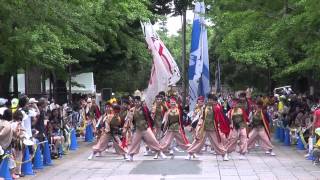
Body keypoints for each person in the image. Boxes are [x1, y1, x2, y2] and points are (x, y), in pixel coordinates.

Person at [185, 94, 230, 161]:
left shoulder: (217, 108)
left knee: (217, 142)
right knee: (197, 141)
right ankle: (190, 153)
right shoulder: (204, 107)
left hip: (213, 128)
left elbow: (221, 118)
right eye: (209, 99)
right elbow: (201, 117)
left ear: (214, 100)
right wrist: (198, 126)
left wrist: (220, 126)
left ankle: (224, 154)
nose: (210, 101)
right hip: (204, 128)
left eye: (211, 100)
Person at [123, 96, 166, 161]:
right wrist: (126, 128)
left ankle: (160, 152)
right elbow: (128, 120)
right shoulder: (132, 110)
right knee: (134, 142)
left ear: (140, 102)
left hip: (146, 127)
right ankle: (131, 155)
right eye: (135, 102)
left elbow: (149, 117)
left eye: (138, 102)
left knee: (153, 140)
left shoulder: (144, 109)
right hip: (137, 129)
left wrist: (152, 125)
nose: (137, 103)